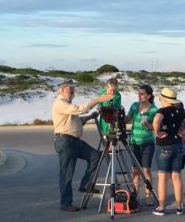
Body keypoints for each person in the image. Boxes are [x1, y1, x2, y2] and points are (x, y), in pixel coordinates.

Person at [52, 79, 114, 212]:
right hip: (65, 142)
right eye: (70, 88)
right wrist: (97, 100)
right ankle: (66, 203)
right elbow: (78, 110)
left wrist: (89, 117)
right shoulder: (60, 102)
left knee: (95, 156)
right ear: (62, 90)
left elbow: (76, 120)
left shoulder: (67, 104)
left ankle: (86, 185)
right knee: (66, 174)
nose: (72, 90)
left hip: (74, 141)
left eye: (73, 88)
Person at [152, 87, 185, 216]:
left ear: (163, 99)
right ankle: (180, 206)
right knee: (176, 177)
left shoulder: (162, 111)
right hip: (178, 145)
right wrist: (182, 132)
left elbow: (156, 121)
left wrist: (158, 132)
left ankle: (161, 207)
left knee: (163, 178)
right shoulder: (180, 111)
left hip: (164, 145)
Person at [126, 85, 158, 206]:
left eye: (142, 94)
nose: (139, 96)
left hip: (148, 142)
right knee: (135, 171)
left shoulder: (154, 109)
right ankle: (135, 197)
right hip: (134, 142)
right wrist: (118, 116)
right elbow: (128, 119)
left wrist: (148, 126)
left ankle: (148, 196)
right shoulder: (134, 106)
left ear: (148, 96)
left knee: (146, 170)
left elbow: (155, 127)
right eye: (138, 94)